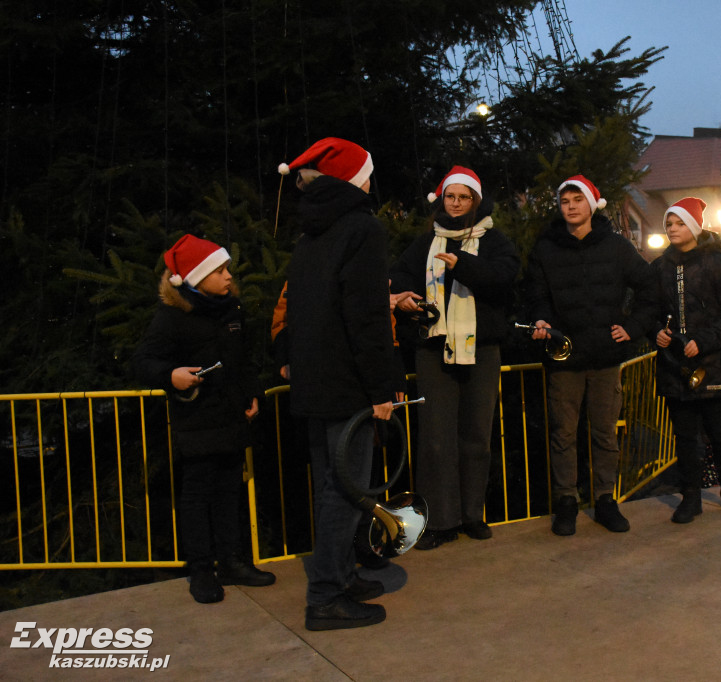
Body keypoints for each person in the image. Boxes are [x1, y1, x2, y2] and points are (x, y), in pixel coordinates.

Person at [278, 137, 395, 631]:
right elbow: (366, 317)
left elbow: (298, 310)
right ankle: (326, 596)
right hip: (348, 383)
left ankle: (342, 576)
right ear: (356, 179)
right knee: (346, 489)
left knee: (332, 482)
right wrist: (382, 389)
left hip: (315, 381)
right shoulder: (362, 229)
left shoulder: (311, 233)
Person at [134, 234, 275, 604]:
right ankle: (200, 570)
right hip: (195, 420)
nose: (229, 276)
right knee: (197, 495)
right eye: (220, 270)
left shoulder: (231, 310)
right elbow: (145, 362)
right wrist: (172, 376)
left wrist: (252, 393)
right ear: (196, 278)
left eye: (227, 268)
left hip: (230, 416)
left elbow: (242, 360)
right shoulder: (172, 316)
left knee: (230, 490)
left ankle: (231, 561)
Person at [390, 166, 518, 550]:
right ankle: (440, 521)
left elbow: (504, 278)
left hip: (482, 347)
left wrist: (464, 264)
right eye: (451, 197)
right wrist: (407, 300)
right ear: (441, 199)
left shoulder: (494, 239)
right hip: (434, 346)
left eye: (464, 197)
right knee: (435, 439)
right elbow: (398, 276)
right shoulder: (427, 241)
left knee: (476, 436)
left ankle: (472, 515)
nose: (457, 204)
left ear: (475, 200)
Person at [523, 175, 657, 536]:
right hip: (564, 356)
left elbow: (650, 288)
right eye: (565, 201)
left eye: (577, 199)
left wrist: (633, 327)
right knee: (563, 434)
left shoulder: (615, 246)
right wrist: (540, 318)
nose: (570, 206)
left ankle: (604, 500)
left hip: (604, 356)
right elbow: (534, 294)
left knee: (604, 434)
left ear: (591, 204)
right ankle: (566, 501)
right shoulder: (546, 247)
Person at [652, 198, 721, 524]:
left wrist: (703, 341)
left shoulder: (716, 263)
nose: (672, 229)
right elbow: (649, 311)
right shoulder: (661, 266)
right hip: (674, 367)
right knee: (685, 437)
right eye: (669, 224)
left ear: (693, 226)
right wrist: (658, 333)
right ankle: (691, 495)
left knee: (720, 434)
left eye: (679, 223)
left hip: (712, 364)